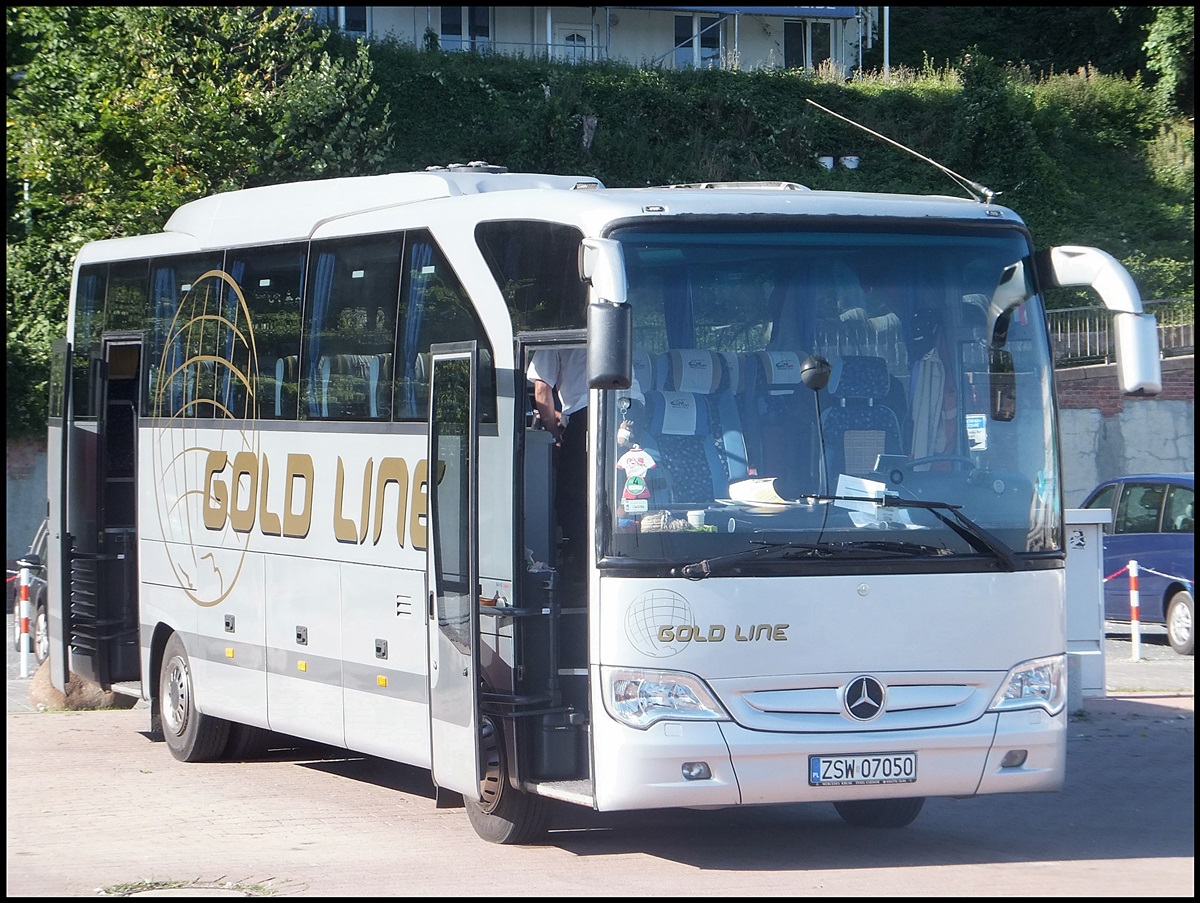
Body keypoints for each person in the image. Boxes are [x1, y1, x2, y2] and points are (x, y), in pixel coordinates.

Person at [527, 347, 588, 573]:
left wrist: (554, 436)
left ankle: (579, 569)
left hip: (587, 416)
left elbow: (542, 390)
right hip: (634, 407)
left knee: (572, 498)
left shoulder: (553, 338)